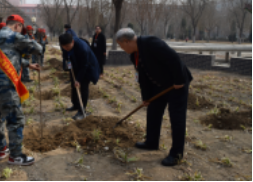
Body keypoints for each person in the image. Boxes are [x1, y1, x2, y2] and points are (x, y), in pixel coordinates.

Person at [116, 28, 193, 166]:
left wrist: (179, 80)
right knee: (153, 112)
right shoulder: (134, 55)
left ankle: (176, 154)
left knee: (177, 118)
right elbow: (143, 77)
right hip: (159, 85)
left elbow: (174, 59)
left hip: (176, 85)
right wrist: (146, 97)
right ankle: (151, 142)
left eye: (121, 46)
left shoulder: (151, 43)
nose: (122, 49)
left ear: (127, 41)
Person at [0, 14, 42, 165]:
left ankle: (1, 149)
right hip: (5, 86)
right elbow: (37, 48)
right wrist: (33, 39)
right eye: (21, 29)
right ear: (17, 26)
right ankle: (15, 156)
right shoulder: (16, 36)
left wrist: (28, 65)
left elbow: (6, 58)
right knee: (15, 120)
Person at [60, 33, 100, 120]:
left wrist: (78, 79)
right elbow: (66, 56)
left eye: (68, 46)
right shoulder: (64, 45)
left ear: (73, 42)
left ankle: (82, 110)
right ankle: (76, 104)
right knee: (73, 85)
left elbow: (84, 66)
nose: (66, 48)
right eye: (64, 47)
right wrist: (69, 64)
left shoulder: (82, 48)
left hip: (87, 67)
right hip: (75, 65)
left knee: (83, 87)